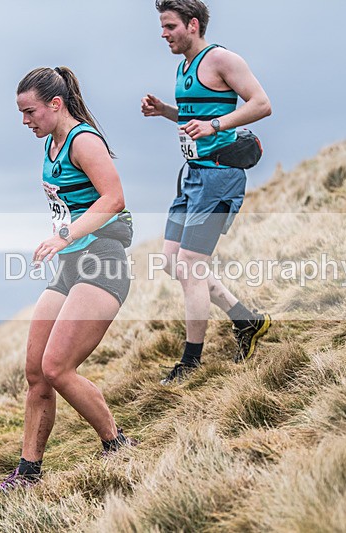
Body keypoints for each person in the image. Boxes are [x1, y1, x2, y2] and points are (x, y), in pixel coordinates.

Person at [0, 66, 136, 492]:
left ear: (56, 104)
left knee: (58, 367)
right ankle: (28, 473)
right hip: (71, 266)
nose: (24, 121)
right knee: (36, 371)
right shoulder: (52, 144)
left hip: (102, 262)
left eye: (30, 111)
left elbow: (114, 198)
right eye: (21, 113)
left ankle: (117, 443)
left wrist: (64, 235)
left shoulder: (83, 140)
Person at [141, 0, 273, 385]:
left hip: (220, 177)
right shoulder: (183, 67)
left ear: (193, 24)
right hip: (193, 176)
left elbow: (262, 104)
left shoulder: (223, 60)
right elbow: (193, 118)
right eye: (162, 27)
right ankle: (246, 321)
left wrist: (216, 124)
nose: (163, 34)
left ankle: (191, 362)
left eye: (169, 27)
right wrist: (166, 110)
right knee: (171, 261)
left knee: (190, 266)